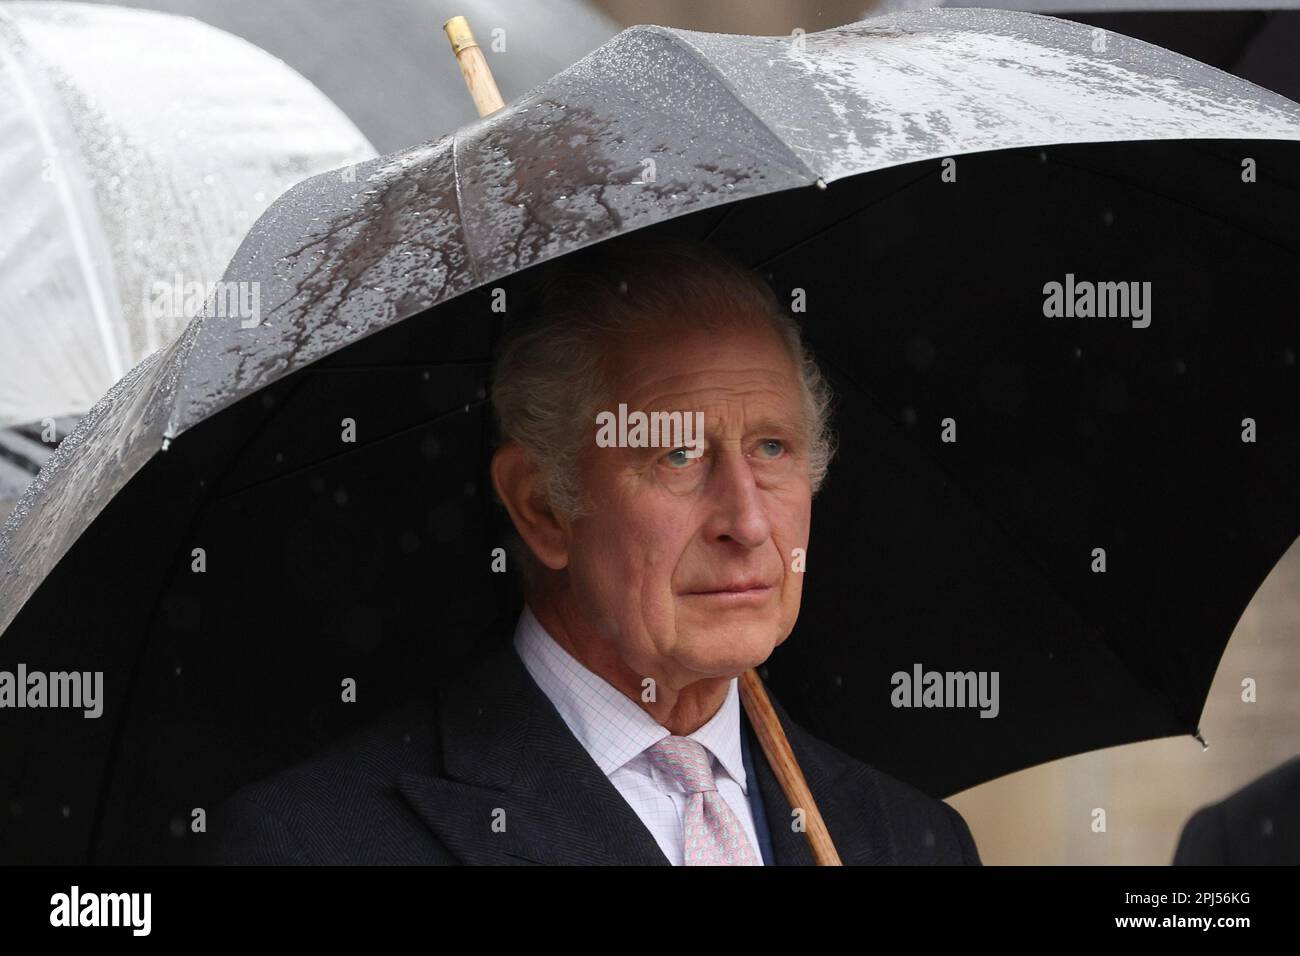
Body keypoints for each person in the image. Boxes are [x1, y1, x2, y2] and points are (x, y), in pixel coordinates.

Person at [199, 237, 981, 866]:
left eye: (772, 448)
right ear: (542, 506)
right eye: (677, 455)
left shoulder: (912, 840)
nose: (745, 521)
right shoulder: (311, 846)